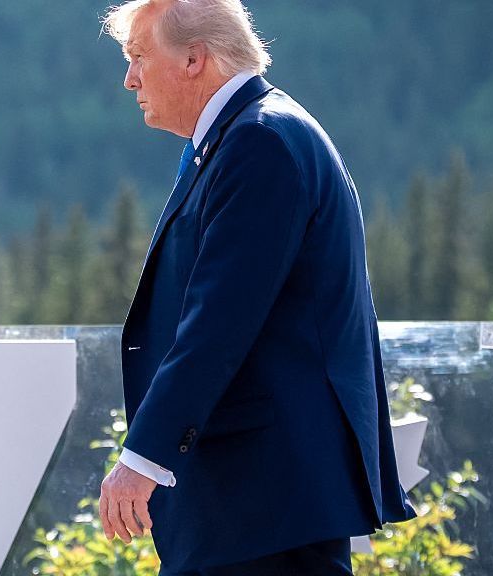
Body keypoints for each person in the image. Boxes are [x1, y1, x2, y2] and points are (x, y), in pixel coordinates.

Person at [96, 1, 417, 574]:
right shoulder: (248, 135)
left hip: (263, 506)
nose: (130, 79)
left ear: (193, 58)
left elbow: (218, 321)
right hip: (255, 506)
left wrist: (143, 457)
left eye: (139, 56)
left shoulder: (258, 142)